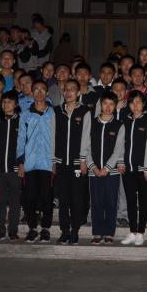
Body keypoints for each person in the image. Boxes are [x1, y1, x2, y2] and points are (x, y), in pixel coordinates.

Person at [53, 79, 92, 245]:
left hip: (77, 164)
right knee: (63, 199)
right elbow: (53, 135)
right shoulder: (57, 111)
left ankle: (75, 231)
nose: (69, 92)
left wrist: (83, 159)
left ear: (78, 93)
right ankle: (64, 231)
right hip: (61, 163)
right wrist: (53, 160)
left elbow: (86, 137)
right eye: (66, 89)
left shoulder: (85, 111)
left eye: (72, 89)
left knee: (76, 198)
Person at [17, 79, 56, 243]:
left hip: (47, 162)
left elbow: (57, 137)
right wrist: (21, 162)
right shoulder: (25, 114)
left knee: (47, 197)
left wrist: (55, 161)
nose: (39, 93)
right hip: (30, 163)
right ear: (32, 93)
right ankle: (32, 228)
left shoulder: (53, 113)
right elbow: (21, 138)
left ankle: (45, 228)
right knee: (30, 197)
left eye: (42, 90)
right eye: (36, 90)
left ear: (47, 93)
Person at [116, 91, 147, 246]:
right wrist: (120, 161)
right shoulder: (125, 120)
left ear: (143, 104)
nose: (135, 105)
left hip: (143, 169)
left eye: (138, 102)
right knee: (130, 201)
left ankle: (141, 232)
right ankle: (132, 231)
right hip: (127, 168)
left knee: (144, 201)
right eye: (132, 102)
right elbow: (121, 143)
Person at [83, 92, 123, 244]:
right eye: (105, 103)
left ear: (115, 106)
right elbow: (86, 146)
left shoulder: (119, 125)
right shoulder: (92, 123)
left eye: (111, 104)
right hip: (94, 171)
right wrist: (93, 167)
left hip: (111, 172)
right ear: (100, 104)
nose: (108, 107)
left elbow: (118, 150)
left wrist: (106, 168)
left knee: (111, 202)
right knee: (96, 202)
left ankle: (109, 232)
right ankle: (97, 232)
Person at [0, 91, 22, 242]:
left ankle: (13, 230)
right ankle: (0, 230)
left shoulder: (21, 121)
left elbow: (24, 145)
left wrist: (22, 163)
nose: (6, 104)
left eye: (10, 102)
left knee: (15, 202)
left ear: (16, 104)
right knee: (0, 201)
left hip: (15, 169)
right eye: (4, 102)